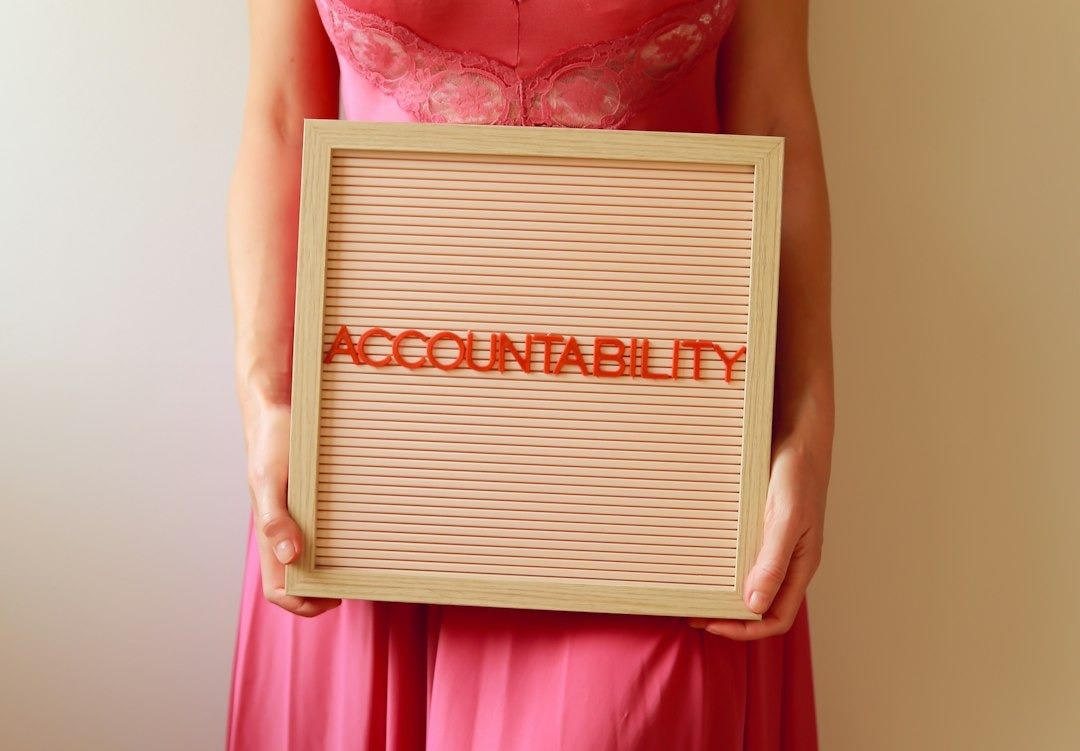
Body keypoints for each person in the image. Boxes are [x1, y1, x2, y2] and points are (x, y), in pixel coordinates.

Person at [226, 0, 833, 748]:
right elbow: (281, 117)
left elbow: (773, 110)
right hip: (371, 453)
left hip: (660, 473)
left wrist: (806, 423)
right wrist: (270, 400)